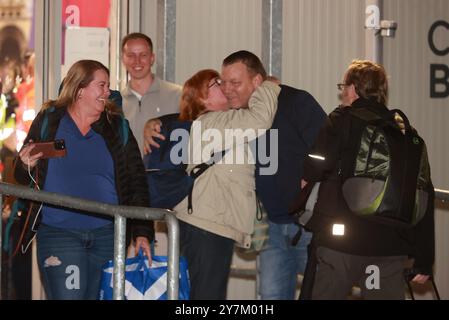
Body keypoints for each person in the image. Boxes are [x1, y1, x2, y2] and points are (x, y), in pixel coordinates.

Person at [14, 60, 153, 300]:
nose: (108, 92)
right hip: (59, 233)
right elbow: (21, 175)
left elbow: (136, 180)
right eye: (101, 85)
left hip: (108, 235)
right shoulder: (50, 120)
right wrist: (26, 164)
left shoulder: (117, 126)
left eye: (108, 86)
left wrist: (142, 231)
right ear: (80, 89)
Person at [302, 60, 435, 300]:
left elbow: (314, 168)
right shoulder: (404, 133)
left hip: (341, 245)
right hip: (389, 249)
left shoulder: (341, 119)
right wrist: (425, 257)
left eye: (343, 86)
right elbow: (424, 191)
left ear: (352, 89)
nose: (342, 92)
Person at [220, 50, 327, 300]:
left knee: (321, 292)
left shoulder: (295, 102)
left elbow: (328, 147)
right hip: (270, 229)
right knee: (270, 296)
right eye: (224, 82)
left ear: (258, 81)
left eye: (235, 83)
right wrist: (156, 124)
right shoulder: (233, 115)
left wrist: (311, 176)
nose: (227, 89)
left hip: (309, 225)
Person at [170, 69, 279, 300]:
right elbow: (260, 118)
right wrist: (268, 86)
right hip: (208, 226)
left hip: (209, 223)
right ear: (202, 98)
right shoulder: (212, 122)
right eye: (217, 83)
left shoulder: (217, 124)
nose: (226, 86)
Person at [121, 33, 182, 155]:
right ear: (123, 59)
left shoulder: (178, 95)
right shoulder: (115, 103)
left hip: (166, 173)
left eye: (143, 55)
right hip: (127, 174)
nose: (137, 61)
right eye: (131, 55)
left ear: (152, 58)